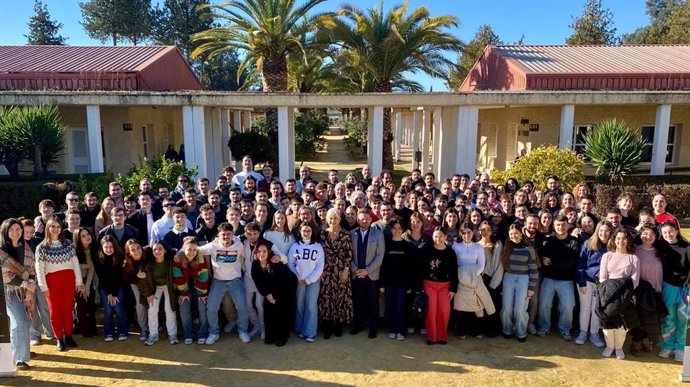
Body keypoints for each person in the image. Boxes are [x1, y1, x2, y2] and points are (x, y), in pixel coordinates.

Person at [35, 217, 84, 351]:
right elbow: (40, 269)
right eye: (52, 226)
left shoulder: (68, 244)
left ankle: (69, 336)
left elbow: (75, 264)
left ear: (61, 228)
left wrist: (79, 282)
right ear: (48, 228)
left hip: (68, 280)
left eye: (58, 226)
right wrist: (43, 287)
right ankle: (59, 338)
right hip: (51, 282)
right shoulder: (41, 247)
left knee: (68, 310)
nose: (55, 229)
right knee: (55, 312)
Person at [198, 222, 251, 345]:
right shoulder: (213, 246)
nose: (226, 237)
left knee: (242, 307)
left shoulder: (239, 245)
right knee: (211, 308)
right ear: (218, 235)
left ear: (233, 234)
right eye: (223, 234)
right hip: (218, 281)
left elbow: (247, 259)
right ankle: (214, 332)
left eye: (228, 234)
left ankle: (242, 330)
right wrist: (179, 252)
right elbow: (197, 250)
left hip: (236, 280)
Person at [597, 229, 640, 359]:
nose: (621, 241)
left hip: (625, 296)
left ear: (628, 241)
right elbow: (603, 277)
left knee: (622, 326)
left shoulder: (633, 258)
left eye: (624, 238)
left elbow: (635, 280)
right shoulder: (607, 256)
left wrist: (624, 295)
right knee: (608, 324)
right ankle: (609, 346)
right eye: (618, 238)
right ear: (614, 240)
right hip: (608, 294)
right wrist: (610, 293)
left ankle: (619, 348)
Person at [537, 215, 580, 341]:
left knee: (567, 305)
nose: (560, 227)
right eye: (558, 225)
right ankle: (544, 326)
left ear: (568, 225)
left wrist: (552, 262)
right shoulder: (547, 240)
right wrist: (558, 262)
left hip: (566, 280)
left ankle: (565, 329)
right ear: (554, 225)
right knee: (544, 304)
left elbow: (571, 262)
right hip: (548, 278)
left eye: (563, 224)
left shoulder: (574, 241)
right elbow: (543, 260)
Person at [0, 219, 36, 369]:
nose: (15, 232)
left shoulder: (26, 247)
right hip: (7, 292)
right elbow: (5, 275)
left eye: (18, 229)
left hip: (24, 290)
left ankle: (20, 353)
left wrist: (30, 289)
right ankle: (18, 358)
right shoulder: (1, 250)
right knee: (19, 321)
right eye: (11, 230)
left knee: (24, 322)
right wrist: (26, 284)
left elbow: (31, 269)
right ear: (5, 232)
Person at [574, 221, 613, 348]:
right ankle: (583, 332)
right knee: (585, 308)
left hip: (602, 284)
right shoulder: (588, 244)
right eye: (601, 230)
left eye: (607, 231)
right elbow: (580, 265)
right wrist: (581, 282)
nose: (604, 233)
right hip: (586, 281)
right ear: (597, 231)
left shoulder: (612, 248)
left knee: (596, 309)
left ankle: (594, 333)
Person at [252, 240, 297, 346]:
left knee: (282, 312)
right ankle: (270, 336)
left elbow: (283, 281)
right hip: (270, 292)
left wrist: (276, 297)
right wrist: (268, 294)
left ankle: (282, 337)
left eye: (264, 251)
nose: (261, 254)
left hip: (286, 290)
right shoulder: (255, 264)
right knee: (268, 311)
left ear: (269, 252)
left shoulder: (275, 263)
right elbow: (258, 282)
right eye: (259, 251)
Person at [350, 209, 385, 338]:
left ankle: (373, 328)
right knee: (358, 301)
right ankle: (358, 325)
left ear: (371, 220)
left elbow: (380, 256)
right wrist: (355, 270)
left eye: (367, 218)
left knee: (373, 302)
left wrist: (367, 270)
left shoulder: (378, 234)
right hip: (356, 274)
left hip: (372, 275)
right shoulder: (351, 234)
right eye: (362, 219)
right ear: (358, 220)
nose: (364, 221)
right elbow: (349, 255)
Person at [318, 208, 354, 339]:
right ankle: (327, 326)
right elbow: (319, 254)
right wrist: (320, 271)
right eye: (330, 218)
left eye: (335, 218)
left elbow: (349, 254)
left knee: (340, 297)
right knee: (326, 298)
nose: (333, 221)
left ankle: (338, 325)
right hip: (326, 270)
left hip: (340, 270)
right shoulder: (322, 234)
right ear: (327, 220)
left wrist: (346, 270)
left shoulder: (345, 234)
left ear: (339, 219)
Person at [658, 220, 690, 362]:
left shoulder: (687, 247)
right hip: (668, 287)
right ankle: (667, 345)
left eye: (671, 231)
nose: (668, 234)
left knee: (683, 318)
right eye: (664, 232)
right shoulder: (662, 247)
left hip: (685, 289)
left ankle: (680, 348)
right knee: (668, 317)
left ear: (677, 231)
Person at [500, 224, 538, 342]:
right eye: (511, 234)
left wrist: (531, 287)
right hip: (509, 278)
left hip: (523, 279)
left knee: (520, 309)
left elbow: (533, 269)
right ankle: (507, 329)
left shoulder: (529, 249)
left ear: (521, 234)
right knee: (506, 308)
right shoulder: (507, 248)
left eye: (516, 233)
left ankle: (521, 331)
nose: (513, 236)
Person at [288, 222, 325, 342]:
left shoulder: (318, 247)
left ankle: (310, 332)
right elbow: (290, 263)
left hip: (313, 281)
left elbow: (320, 266)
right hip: (299, 280)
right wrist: (297, 277)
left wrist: (309, 279)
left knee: (311, 305)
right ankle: (300, 329)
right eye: (304, 231)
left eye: (308, 231)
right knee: (299, 305)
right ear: (300, 232)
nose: (306, 233)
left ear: (312, 232)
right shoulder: (295, 246)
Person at [379, 219, 415, 341]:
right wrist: (381, 284)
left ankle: (401, 331)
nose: (397, 230)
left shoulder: (407, 246)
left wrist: (409, 285)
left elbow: (411, 267)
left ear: (403, 229)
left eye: (399, 228)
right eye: (394, 228)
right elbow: (382, 265)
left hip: (402, 283)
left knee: (400, 307)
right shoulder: (386, 244)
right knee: (389, 307)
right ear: (391, 229)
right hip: (389, 283)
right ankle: (392, 329)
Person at [452, 222, 489, 340]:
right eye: (464, 233)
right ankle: (461, 331)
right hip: (460, 280)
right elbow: (454, 264)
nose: (466, 235)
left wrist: (471, 277)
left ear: (473, 232)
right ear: (460, 233)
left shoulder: (478, 247)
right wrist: (463, 277)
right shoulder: (455, 246)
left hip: (475, 280)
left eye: (469, 232)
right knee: (461, 307)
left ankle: (475, 331)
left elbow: (481, 265)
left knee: (476, 306)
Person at [138, 240, 178, 345]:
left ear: (165, 250)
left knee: (169, 309)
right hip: (155, 288)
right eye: (154, 249)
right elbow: (143, 281)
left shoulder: (171, 260)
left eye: (160, 249)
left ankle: (172, 334)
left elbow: (178, 252)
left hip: (168, 287)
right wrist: (148, 294)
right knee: (152, 309)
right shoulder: (148, 263)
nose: (157, 251)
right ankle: (153, 335)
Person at [631, 224, 663, 356]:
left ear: (656, 236)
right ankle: (636, 342)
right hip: (641, 291)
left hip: (657, 289)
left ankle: (643, 339)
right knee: (641, 318)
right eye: (645, 233)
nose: (648, 237)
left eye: (651, 234)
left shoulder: (660, 251)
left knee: (651, 318)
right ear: (640, 235)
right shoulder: (635, 251)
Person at [421, 230, 458, 345]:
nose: (438, 239)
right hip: (429, 284)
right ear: (432, 237)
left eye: (441, 236)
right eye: (436, 236)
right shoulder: (427, 250)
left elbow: (454, 272)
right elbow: (421, 269)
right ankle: (431, 336)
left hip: (445, 286)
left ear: (445, 236)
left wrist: (453, 289)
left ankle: (442, 336)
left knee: (444, 311)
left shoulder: (451, 252)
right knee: (431, 310)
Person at [173, 237, 210, 345]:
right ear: (183, 249)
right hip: (184, 288)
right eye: (189, 249)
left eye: (194, 249)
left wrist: (202, 294)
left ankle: (203, 332)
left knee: (203, 304)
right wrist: (184, 293)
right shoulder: (178, 259)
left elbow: (204, 276)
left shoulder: (200, 258)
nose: (192, 252)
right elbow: (178, 277)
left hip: (199, 287)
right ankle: (188, 333)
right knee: (184, 305)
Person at [93, 235, 128, 342]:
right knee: (108, 309)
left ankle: (123, 330)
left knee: (118, 308)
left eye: (111, 247)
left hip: (119, 287)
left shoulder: (121, 256)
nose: (108, 249)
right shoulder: (98, 258)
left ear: (115, 247)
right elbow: (101, 277)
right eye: (106, 247)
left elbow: (120, 277)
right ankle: (108, 332)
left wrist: (115, 294)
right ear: (102, 247)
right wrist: (109, 293)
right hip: (105, 288)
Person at [477, 220, 504, 338]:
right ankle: (481, 328)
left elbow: (500, 265)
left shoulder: (498, 244)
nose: (485, 232)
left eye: (488, 229)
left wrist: (494, 283)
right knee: (481, 305)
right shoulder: (476, 245)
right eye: (483, 229)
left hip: (494, 279)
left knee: (493, 304)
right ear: (479, 231)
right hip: (481, 279)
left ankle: (493, 330)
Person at [122, 239, 150, 341]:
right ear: (129, 252)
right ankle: (143, 329)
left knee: (152, 302)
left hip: (150, 282)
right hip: (136, 283)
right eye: (133, 250)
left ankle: (153, 326)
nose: (137, 251)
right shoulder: (127, 264)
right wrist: (137, 276)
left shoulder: (148, 252)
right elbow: (127, 279)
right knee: (140, 304)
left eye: (138, 248)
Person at [72, 227, 98, 338]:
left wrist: (87, 286)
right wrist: (81, 284)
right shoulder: (74, 250)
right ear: (78, 239)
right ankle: (83, 330)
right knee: (80, 306)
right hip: (77, 281)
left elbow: (91, 269)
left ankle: (92, 329)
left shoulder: (94, 248)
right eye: (83, 236)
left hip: (89, 280)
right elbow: (74, 267)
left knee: (90, 304)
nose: (87, 237)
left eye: (88, 234)